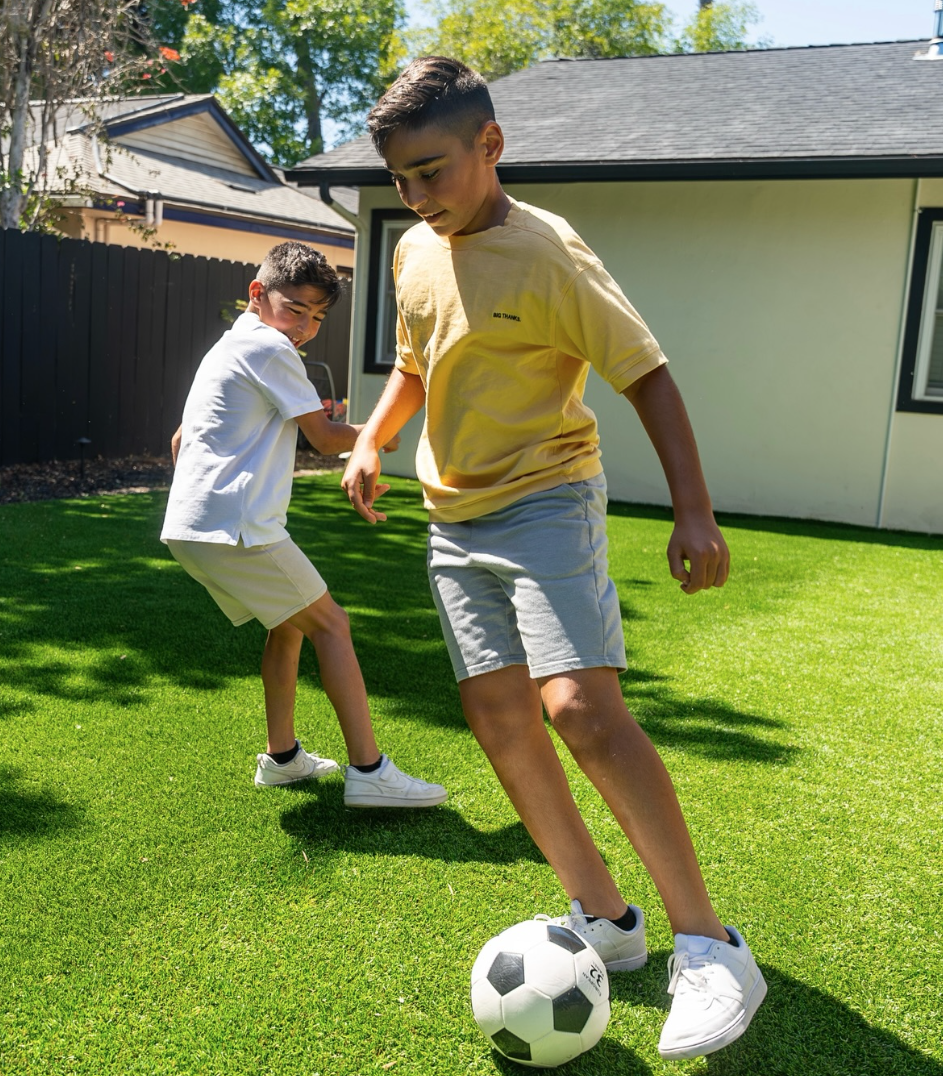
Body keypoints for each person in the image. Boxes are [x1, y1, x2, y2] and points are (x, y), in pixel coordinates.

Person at [340, 58, 764, 1059]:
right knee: (497, 717)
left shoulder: (552, 254)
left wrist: (694, 512)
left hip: (546, 498)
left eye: (433, 170)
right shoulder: (412, 252)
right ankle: (606, 917)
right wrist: (372, 437)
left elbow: (646, 375)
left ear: (492, 145)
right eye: (400, 179)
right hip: (454, 517)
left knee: (579, 707)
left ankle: (711, 944)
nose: (417, 195)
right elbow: (416, 363)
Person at [162, 240, 447, 810]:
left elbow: (178, 443)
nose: (304, 327)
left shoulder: (227, 348)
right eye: (295, 309)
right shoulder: (269, 347)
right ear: (257, 294)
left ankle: (283, 758)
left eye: (317, 317)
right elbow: (322, 438)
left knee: (288, 624)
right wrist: (378, 437)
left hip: (195, 527)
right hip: (236, 528)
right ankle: (369, 771)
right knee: (332, 626)